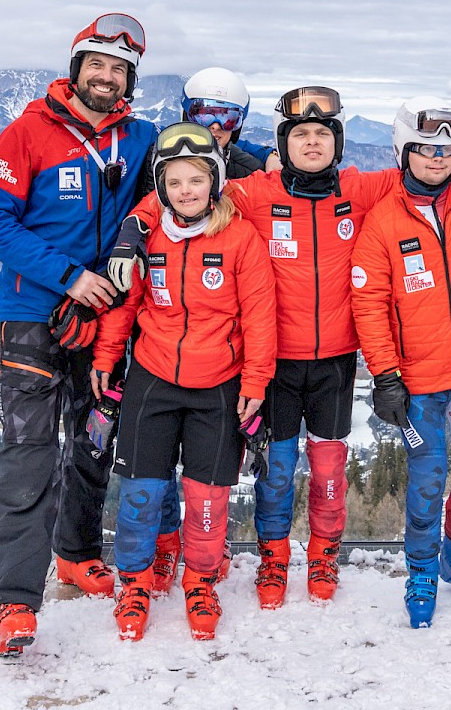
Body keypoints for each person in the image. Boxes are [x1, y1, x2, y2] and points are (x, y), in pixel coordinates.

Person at [108, 86, 397, 609]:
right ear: (284, 143)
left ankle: (325, 553)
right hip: (275, 362)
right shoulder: (254, 193)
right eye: (301, 134)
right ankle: (274, 556)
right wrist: (135, 225)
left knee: (329, 468)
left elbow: (432, 174)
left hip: (335, 359)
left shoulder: (360, 188)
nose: (313, 142)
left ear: (338, 141)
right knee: (277, 470)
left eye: (323, 133)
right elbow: (187, 189)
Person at [0, 12, 157, 657]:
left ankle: (76, 553)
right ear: (75, 70)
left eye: (119, 69)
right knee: (29, 456)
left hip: (105, 317)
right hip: (35, 317)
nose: (106, 77)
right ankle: (15, 601)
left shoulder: (140, 139)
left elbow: (188, 180)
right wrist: (70, 278)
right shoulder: (27, 134)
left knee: (94, 441)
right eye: (95, 65)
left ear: (130, 79)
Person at [91, 122, 277, 641]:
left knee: (207, 500)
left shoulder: (240, 237)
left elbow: (260, 317)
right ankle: (134, 584)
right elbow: (126, 302)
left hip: (218, 384)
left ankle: (200, 583)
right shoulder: (147, 237)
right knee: (141, 494)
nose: (186, 191)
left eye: (196, 179)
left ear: (214, 181)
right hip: (153, 379)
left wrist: (255, 383)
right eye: (174, 182)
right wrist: (107, 355)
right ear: (161, 188)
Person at [350, 97, 451, 628]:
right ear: (404, 152)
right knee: (428, 473)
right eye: (425, 149)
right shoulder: (382, 221)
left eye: (448, 150)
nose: (438, 158)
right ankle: (420, 567)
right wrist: (385, 374)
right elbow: (369, 303)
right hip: (416, 378)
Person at [139, 66, 278, 596]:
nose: (215, 126)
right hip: (161, 334)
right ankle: (165, 545)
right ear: (185, 112)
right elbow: (158, 198)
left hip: (223, 345)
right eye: (203, 114)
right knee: (153, 462)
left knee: (208, 470)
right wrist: (134, 227)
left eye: (227, 117)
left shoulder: (247, 167)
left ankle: (204, 552)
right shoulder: (160, 155)